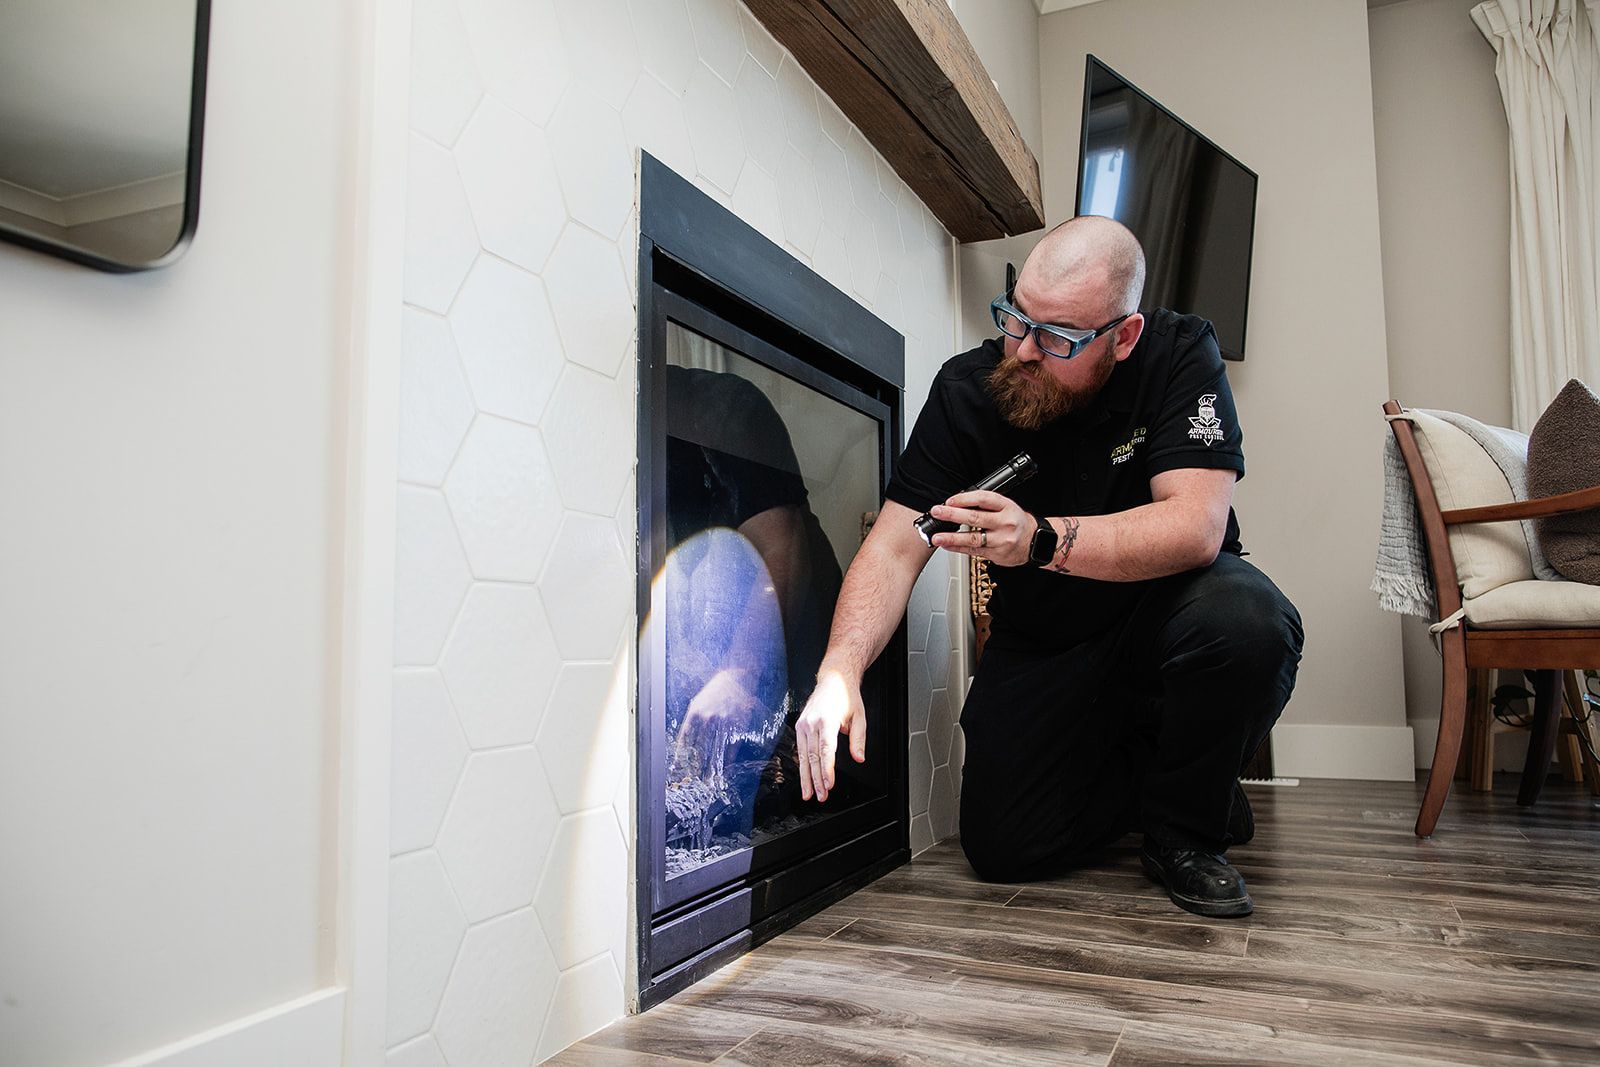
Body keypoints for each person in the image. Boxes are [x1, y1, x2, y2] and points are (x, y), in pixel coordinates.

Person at [793, 216, 1303, 918]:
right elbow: (892, 543)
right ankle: (1176, 775)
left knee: (1250, 622)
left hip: (1168, 616)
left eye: (1059, 337)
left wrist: (1037, 540)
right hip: (1046, 638)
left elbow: (1195, 526)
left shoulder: (1181, 353)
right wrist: (839, 670)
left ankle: (1185, 830)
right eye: (1016, 318)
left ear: (1123, 336)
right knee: (1003, 845)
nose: (1026, 350)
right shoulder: (967, 391)